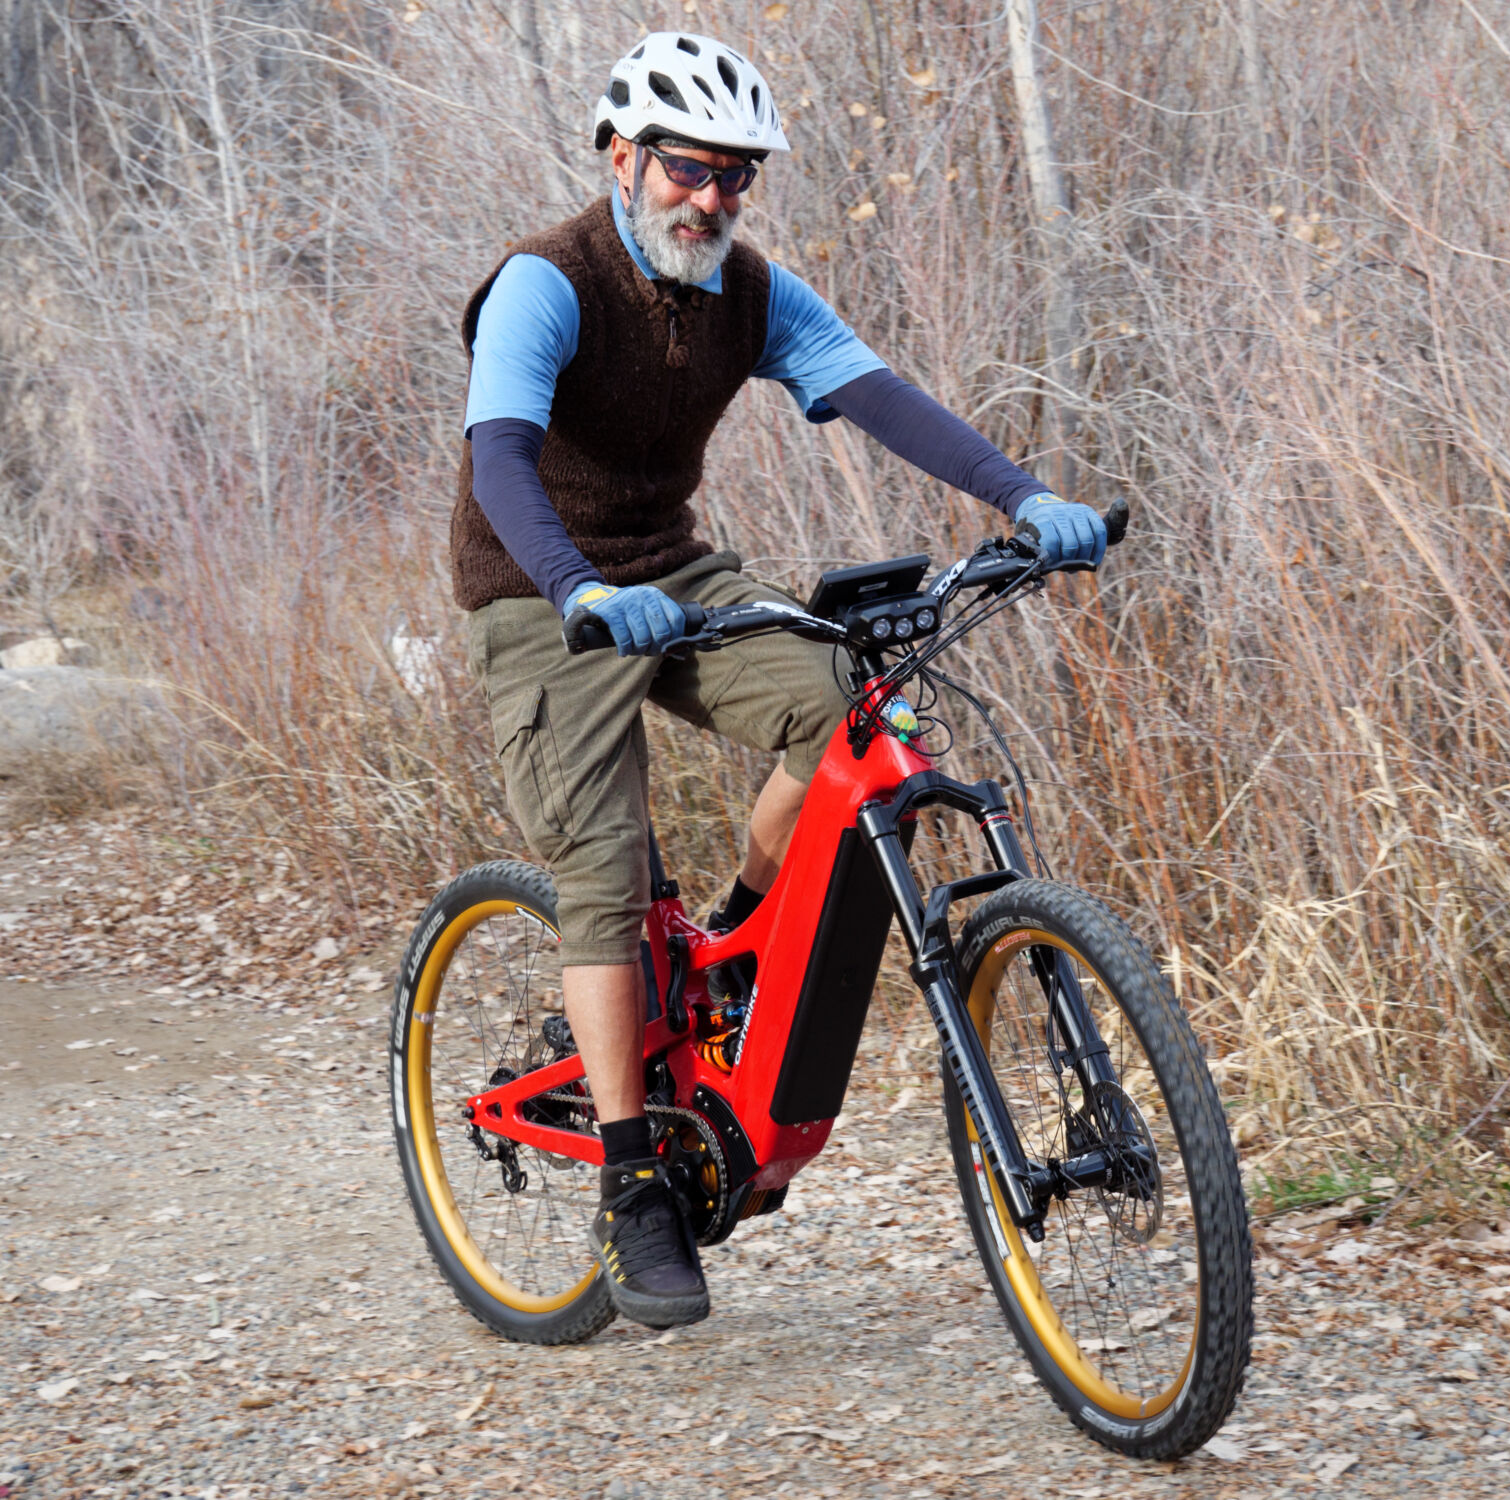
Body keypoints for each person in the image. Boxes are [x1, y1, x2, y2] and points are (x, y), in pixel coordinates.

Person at [453, 31, 1106, 1333]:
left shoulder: (747, 292)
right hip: (541, 593)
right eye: (691, 169)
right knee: (600, 870)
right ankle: (635, 1182)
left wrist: (1025, 496)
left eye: (736, 177)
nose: (713, 198)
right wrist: (579, 591)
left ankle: (738, 953)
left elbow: (882, 396)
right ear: (626, 158)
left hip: (674, 571)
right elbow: (500, 458)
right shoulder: (546, 281)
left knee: (848, 713)